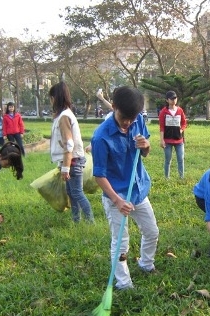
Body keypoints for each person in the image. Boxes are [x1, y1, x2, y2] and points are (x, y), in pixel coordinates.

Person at [91, 86, 159, 290]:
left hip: (138, 189)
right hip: (117, 195)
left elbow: (146, 152)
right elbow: (99, 175)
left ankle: (146, 264)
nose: (128, 122)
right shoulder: (101, 137)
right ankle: (123, 282)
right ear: (113, 107)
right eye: (124, 117)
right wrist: (117, 200)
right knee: (121, 241)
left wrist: (146, 145)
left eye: (132, 117)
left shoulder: (137, 120)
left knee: (152, 231)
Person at [49, 81, 94, 223]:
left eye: (51, 98)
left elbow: (68, 144)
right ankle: (76, 220)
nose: (50, 101)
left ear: (56, 98)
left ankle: (90, 221)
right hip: (72, 160)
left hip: (73, 161)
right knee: (71, 192)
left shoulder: (64, 117)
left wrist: (66, 168)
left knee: (77, 193)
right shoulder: (65, 115)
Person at [158, 90, 187, 179]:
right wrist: (162, 140)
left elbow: (184, 122)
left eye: (175, 98)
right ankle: (167, 177)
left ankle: (181, 177)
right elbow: (162, 127)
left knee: (180, 159)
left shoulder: (180, 110)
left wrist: (181, 130)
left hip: (179, 140)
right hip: (167, 140)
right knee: (168, 160)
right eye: (171, 99)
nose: (174, 100)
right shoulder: (163, 112)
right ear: (167, 100)